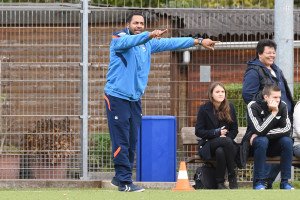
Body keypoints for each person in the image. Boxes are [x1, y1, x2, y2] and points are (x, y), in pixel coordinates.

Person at [103, 11, 219, 192]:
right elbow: (128, 42)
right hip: (116, 97)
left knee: (132, 140)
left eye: (142, 23)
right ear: (128, 24)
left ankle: (119, 178)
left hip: (134, 99)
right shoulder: (120, 38)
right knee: (122, 140)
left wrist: (197, 41)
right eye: (136, 23)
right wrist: (148, 35)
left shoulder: (146, 44)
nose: (139, 26)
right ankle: (125, 182)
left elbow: (170, 43)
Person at [242, 39, 294, 189]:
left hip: (279, 121)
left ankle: (281, 183)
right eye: (268, 52)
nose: (272, 55)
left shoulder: (276, 69)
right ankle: (261, 183)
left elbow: (283, 94)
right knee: (262, 141)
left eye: (274, 52)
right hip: (263, 122)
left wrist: (281, 109)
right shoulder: (254, 71)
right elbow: (248, 95)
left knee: (286, 142)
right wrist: (267, 108)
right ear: (259, 54)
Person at [247, 85, 294, 190]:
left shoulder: (283, 105)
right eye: (275, 97)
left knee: (287, 141)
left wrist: (263, 133)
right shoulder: (253, 106)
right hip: (257, 146)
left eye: (279, 97)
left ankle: (285, 182)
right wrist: (273, 113)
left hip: (274, 146)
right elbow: (258, 129)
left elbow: (286, 129)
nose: (278, 100)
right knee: (262, 140)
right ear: (266, 97)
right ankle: (259, 182)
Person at [195, 82, 238, 189]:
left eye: (223, 92)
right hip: (208, 144)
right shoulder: (204, 109)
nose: (220, 94)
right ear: (211, 94)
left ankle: (220, 183)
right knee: (226, 142)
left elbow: (234, 130)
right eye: (217, 92)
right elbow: (199, 131)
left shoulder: (230, 107)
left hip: (224, 145)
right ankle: (232, 176)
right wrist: (217, 133)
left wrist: (226, 138)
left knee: (221, 150)